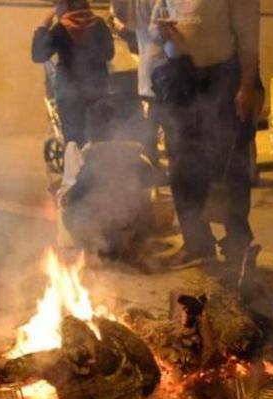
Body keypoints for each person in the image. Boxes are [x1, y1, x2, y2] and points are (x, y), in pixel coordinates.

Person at [151, 0, 261, 270]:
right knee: (182, 166)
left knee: (228, 166)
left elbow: (248, 38)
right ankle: (196, 243)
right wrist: (161, 31)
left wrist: (246, 86)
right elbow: (154, 25)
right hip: (180, 80)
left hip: (221, 80)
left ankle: (238, 244)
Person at [58, 97, 159, 262]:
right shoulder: (138, 156)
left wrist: (66, 197)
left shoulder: (93, 159)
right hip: (135, 228)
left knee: (70, 208)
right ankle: (136, 248)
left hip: (104, 234)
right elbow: (151, 186)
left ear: (91, 130)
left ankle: (95, 251)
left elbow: (76, 196)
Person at [32, 0, 115, 150]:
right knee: (102, 140)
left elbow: (38, 55)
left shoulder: (60, 29)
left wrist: (43, 27)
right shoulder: (99, 24)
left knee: (74, 143)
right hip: (98, 90)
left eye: (57, 5)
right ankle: (100, 170)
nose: (56, 9)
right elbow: (109, 54)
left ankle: (75, 171)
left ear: (66, 5)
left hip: (70, 95)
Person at [111, 0, 168, 167]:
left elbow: (127, 23)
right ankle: (155, 161)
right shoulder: (160, 2)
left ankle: (151, 161)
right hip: (164, 62)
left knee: (153, 115)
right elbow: (163, 31)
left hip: (147, 64)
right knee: (163, 115)